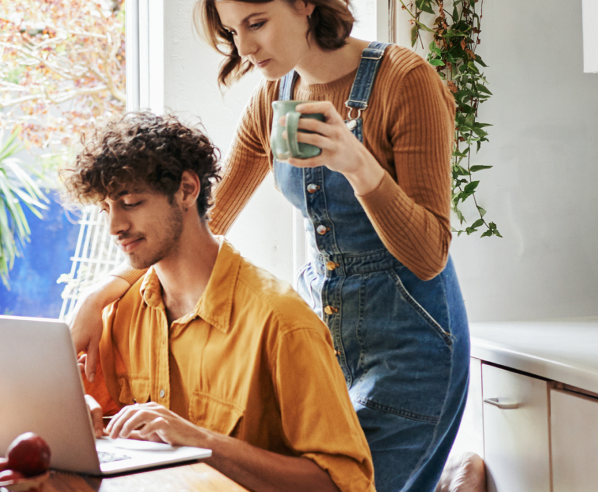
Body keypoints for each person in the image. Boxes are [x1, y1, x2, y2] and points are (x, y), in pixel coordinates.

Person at [69, 0, 469, 491]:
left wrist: (356, 163)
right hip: (322, 334)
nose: (246, 47)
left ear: (306, 0)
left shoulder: (406, 81)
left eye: (256, 23)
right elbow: (205, 213)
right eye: (233, 32)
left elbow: (429, 254)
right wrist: (103, 294)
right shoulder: (275, 98)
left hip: (411, 345)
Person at [62, 112, 375, 492]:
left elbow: (343, 485)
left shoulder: (282, 323)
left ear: (187, 190)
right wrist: (84, 418)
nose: (114, 226)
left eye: (130, 202)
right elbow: (103, 423)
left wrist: (203, 443)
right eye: (106, 208)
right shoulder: (119, 313)